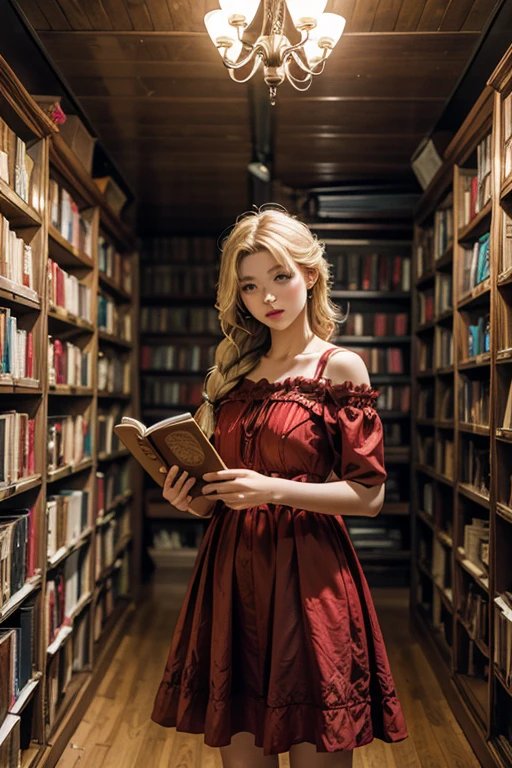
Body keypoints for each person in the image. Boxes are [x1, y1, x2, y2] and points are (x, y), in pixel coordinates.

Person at [151, 207, 408, 767]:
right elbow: (219, 492)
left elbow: (369, 495)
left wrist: (273, 490)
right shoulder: (231, 376)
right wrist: (189, 499)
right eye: (249, 286)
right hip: (230, 577)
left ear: (310, 276)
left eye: (280, 277)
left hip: (309, 578)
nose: (266, 296)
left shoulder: (340, 369)